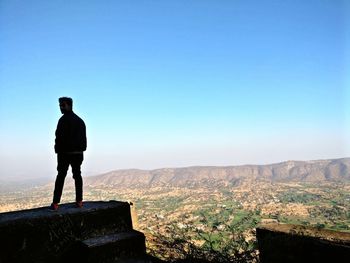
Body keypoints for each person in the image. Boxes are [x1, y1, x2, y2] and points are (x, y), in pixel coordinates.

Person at [50, 97, 87, 211]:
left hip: (64, 154)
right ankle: (79, 201)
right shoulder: (80, 121)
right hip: (77, 154)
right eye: (60, 105)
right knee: (77, 175)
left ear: (69, 105)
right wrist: (81, 150)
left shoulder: (62, 120)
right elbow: (84, 140)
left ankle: (56, 203)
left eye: (63, 105)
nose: (61, 107)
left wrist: (58, 150)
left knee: (61, 176)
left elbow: (58, 138)